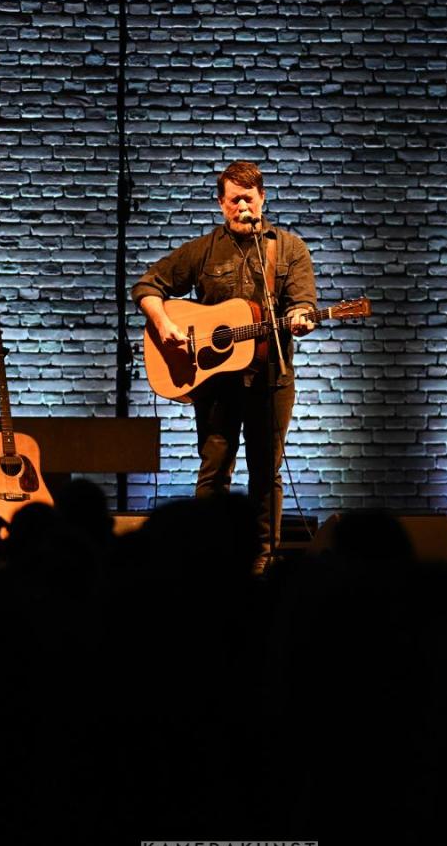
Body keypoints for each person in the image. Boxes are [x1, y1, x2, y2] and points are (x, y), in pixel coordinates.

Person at [132, 161, 317, 574]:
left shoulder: (288, 249)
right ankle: (207, 559)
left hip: (270, 380)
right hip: (217, 383)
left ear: (262, 198)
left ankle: (262, 561)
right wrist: (163, 325)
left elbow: (302, 302)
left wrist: (302, 316)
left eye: (248, 199)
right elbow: (147, 286)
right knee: (215, 468)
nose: (242, 207)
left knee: (266, 472)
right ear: (221, 203)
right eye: (234, 200)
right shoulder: (203, 250)